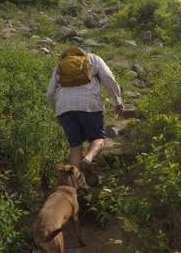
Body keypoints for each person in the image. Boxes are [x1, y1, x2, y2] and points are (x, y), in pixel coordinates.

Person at [46, 46, 124, 175]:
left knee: (75, 146)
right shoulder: (93, 59)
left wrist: (57, 111)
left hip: (63, 107)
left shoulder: (61, 65)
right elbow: (109, 78)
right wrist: (118, 102)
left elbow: (49, 93)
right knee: (98, 138)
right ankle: (88, 159)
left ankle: (74, 184)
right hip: (89, 105)